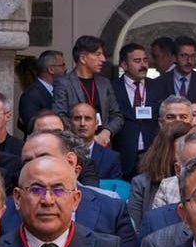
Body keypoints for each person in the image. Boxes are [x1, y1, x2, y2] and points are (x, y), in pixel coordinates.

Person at [51, 35, 126, 154]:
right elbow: (59, 115)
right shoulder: (64, 83)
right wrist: (87, 137)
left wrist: (106, 132)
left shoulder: (105, 83)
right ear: (83, 58)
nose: (103, 59)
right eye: (98, 54)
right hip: (75, 147)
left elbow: (117, 115)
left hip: (102, 145)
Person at [111, 42, 156, 177]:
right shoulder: (112, 88)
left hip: (151, 156)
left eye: (145, 60)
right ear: (124, 65)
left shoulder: (158, 86)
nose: (143, 65)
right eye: (137, 61)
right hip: (123, 156)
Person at [66, 102, 124, 183]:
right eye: (77, 118)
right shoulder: (61, 154)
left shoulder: (111, 158)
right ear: (70, 123)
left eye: (87, 118)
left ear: (96, 124)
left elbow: (115, 190)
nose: (82, 123)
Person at [16, 51, 61, 139]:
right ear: (51, 69)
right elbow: (32, 127)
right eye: (62, 65)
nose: (65, 68)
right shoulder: (31, 95)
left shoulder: (59, 89)